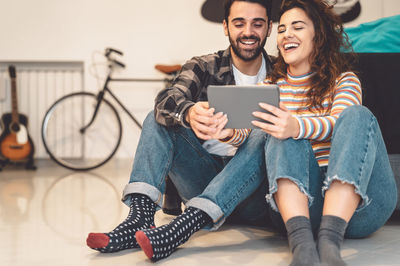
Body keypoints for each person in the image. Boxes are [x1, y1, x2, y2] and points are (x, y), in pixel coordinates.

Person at [86, 0, 275, 261]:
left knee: (265, 133)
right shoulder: (204, 65)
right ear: (225, 27)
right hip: (202, 179)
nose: (248, 32)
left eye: (258, 23)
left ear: (269, 28)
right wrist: (188, 112)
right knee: (159, 118)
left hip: (255, 193)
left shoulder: (284, 74)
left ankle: (183, 227)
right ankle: (138, 219)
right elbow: (167, 100)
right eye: (239, 23)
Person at [248, 0, 397, 265]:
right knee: (278, 132)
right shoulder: (271, 86)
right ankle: (302, 245)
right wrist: (225, 131)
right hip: (306, 207)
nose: (286, 35)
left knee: (357, 115)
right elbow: (254, 139)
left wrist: (297, 126)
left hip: (365, 207)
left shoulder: (345, 79)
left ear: (318, 35)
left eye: (297, 27)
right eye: (281, 29)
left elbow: (340, 122)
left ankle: (329, 243)